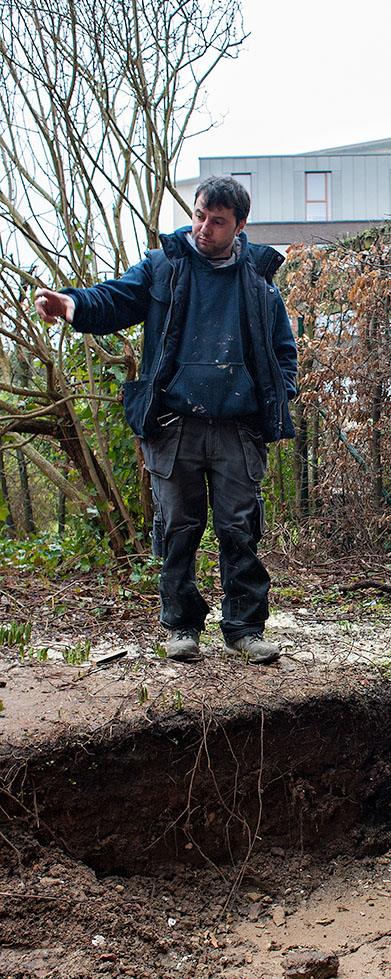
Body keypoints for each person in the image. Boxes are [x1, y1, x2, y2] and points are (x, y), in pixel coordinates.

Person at [34, 176, 298, 664]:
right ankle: (181, 627)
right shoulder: (165, 267)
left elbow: (284, 351)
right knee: (178, 529)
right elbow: (115, 298)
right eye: (199, 215)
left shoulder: (259, 282)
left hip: (238, 429)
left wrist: (281, 395)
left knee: (240, 530)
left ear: (239, 226)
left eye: (217, 222)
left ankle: (244, 628)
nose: (203, 228)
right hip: (174, 425)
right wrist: (71, 304)